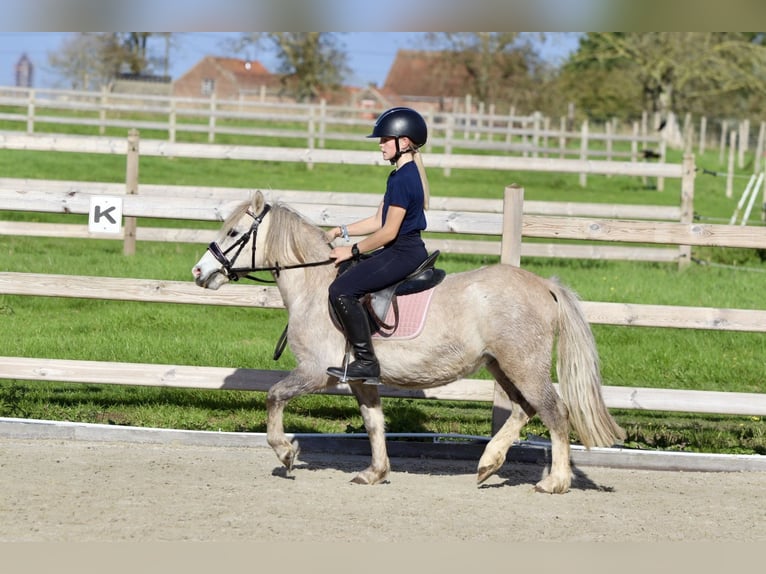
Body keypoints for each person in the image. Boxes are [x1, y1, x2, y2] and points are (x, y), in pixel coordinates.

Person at [324, 107, 431, 385]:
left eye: (385, 140)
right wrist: (340, 231)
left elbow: (388, 231)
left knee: (341, 289)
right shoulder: (399, 175)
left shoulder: (405, 179)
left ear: (404, 142)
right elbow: (377, 220)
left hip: (403, 251)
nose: (381, 145)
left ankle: (366, 362)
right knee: (348, 272)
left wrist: (353, 250)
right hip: (399, 248)